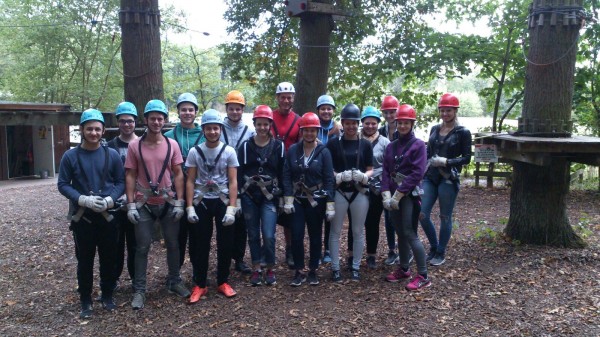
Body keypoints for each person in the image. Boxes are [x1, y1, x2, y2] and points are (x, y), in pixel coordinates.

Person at [58, 108, 125, 319]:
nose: (93, 133)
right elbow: (62, 184)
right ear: (82, 130)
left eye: (97, 129)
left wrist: (110, 199)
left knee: (109, 257)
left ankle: (107, 295)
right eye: (89, 129)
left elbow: (120, 181)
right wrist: (81, 199)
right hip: (83, 217)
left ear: (103, 130)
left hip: (107, 215)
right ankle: (85, 299)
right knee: (85, 260)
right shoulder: (70, 156)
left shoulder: (111, 155)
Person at [125, 99, 190, 310]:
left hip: (168, 200)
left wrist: (180, 202)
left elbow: (179, 174)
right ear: (146, 120)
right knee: (142, 246)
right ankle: (140, 290)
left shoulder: (172, 145)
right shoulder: (135, 146)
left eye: (160, 118)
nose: (156, 122)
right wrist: (131, 204)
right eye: (152, 118)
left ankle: (174, 281)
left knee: (173, 243)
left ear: (164, 120)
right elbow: (130, 175)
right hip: (143, 202)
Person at [185, 109, 239, 303]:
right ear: (204, 129)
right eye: (209, 128)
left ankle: (223, 280)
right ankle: (200, 283)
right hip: (201, 202)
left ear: (220, 129)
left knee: (226, 243)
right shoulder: (195, 152)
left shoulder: (229, 151)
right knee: (200, 244)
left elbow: (233, 181)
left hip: (222, 200)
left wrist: (232, 208)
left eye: (216, 128)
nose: (213, 132)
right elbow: (190, 180)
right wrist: (189, 206)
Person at [381, 104, 430, 291]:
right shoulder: (391, 146)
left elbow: (417, 173)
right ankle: (404, 268)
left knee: (409, 233)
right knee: (399, 232)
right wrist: (386, 193)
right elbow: (386, 170)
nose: (402, 126)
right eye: (400, 122)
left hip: (408, 196)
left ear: (412, 124)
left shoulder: (418, 146)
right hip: (393, 195)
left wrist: (400, 194)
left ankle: (423, 275)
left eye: (406, 123)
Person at [283, 112, 335, 286]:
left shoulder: (323, 152)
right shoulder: (293, 151)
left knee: (315, 235)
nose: (309, 134)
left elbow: (329, 178)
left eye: (313, 131)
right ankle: (298, 270)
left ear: (317, 131)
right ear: (301, 131)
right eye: (306, 130)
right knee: (296, 235)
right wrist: (288, 197)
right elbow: (286, 174)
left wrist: (330, 203)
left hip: (316, 199)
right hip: (297, 199)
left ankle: (313, 269)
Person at [419, 93, 472, 266]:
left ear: (455, 111)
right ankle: (434, 246)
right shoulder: (435, 129)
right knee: (422, 214)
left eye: (448, 110)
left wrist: (447, 162)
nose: (445, 114)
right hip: (431, 176)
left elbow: (466, 158)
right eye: (442, 110)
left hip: (449, 177)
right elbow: (428, 151)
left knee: (445, 216)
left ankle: (441, 251)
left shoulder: (463, 132)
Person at [238, 105, 284, 286]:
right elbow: (239, 172)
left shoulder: (278, 147)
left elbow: (283, 172)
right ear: (254, 124)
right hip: (249, 195)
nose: (262, 127)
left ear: (270, 125)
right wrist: (239, 198)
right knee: (253, 234)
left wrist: (284, 197)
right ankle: (257, 266)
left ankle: (270, 266)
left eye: (266, 124)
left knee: (269, 234)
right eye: (259, 124)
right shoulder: (245, 147)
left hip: (270, 195)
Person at [326, 103, 373, 282]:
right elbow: (327, 168)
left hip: (359, 192)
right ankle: (335, 268)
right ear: (343, 123)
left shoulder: (365, 145)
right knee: (335, 230)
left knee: (358, 231)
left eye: (354, 123)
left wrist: (363, 176)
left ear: (358, 123)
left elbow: (370, 169)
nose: (351, 126)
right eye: (347, 123)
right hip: (340, 191)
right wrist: (338, 176)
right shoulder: (333, 144)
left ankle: (355, 267)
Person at [164, 93, 204, 269]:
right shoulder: (168, 135)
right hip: (175, 191)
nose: (187, 113)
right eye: (183, 109)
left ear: (196, 112)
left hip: (199, 192)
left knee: (197, 235)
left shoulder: (205, 134)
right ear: (178, 112)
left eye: (190, 109)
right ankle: (175, 272)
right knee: (177, 235)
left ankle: (198, 272)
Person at [221, 90, 256, 274]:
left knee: (241, 222)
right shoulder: (218, 128)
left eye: (238, 109)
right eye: (232, 108)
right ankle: (224, 256)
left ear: (242, 110)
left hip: (243, 180)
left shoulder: (249, 130)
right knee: (225, 221)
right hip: (222, 179)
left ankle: (239, 258)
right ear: (227, 109)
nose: (235, 112)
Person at [106, 102, 138, 291]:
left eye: (130, 121)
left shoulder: (142, 145)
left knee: (135, 245)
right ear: (118, 122)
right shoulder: (110, 147)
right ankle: (113, 279)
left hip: (137, 202)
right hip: (116, 204)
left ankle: (136, 279)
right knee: (115, 245)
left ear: (135, 122)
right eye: (123, 121)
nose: (127, 125)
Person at [271, 81, 301, 268]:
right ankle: (270, 249)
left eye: (289, 97)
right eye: (283, 97)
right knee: (271, 210)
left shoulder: (298, 120)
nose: (286, 100)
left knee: (289, 214)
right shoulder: (269, 117)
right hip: (272, 168)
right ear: (277, 98)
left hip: (290, 170)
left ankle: (290, 249)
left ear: (293, 98)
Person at [359, 106, 390, 269]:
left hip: (377, 189)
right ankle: (353, 254)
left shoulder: (385, 143)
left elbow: (389, 168)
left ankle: (371, 255)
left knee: (372, 222)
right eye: (367, 123)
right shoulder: (355, 139)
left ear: (378, 123)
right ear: (362, 123)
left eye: (373, 123)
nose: (370, 126)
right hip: (358, 186)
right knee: (356, 223)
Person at [315, 94, 341, 264]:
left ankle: (327, 250)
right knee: (317, 215)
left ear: (333, 111)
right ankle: (316, 250)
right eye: (323, 108)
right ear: (318, 110)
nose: (326, 111)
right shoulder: (311, 127)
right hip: (315, 176)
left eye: (329, 108)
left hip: (332, 175)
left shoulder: (338, 129)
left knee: (330, 215)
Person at [378, 95, 401, 265]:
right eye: (386, 112)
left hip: (401, 178)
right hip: (387, 177)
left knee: (401, 213)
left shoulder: (404, 128)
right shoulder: (381, 132)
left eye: (392, 112)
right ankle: (392, 249)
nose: (389, 116)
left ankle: (403, 248)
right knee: (388, 216)